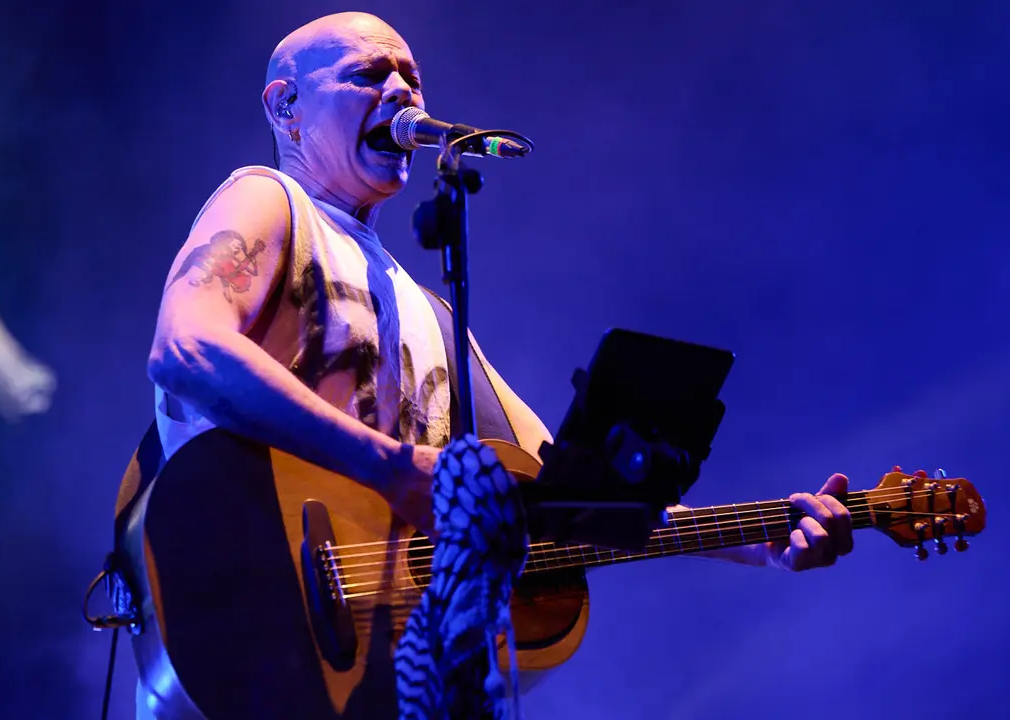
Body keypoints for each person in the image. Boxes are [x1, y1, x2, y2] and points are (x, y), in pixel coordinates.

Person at [141, 11, 853, 717]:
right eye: (368, 73)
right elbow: (185, 346)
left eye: (411, 77)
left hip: (366, 670)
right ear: (286, 104)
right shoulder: (271, 200)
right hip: (245, 612)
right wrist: (386, 465)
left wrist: (750, 539)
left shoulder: (429, 311)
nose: (402, 92)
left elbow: (564, 489)